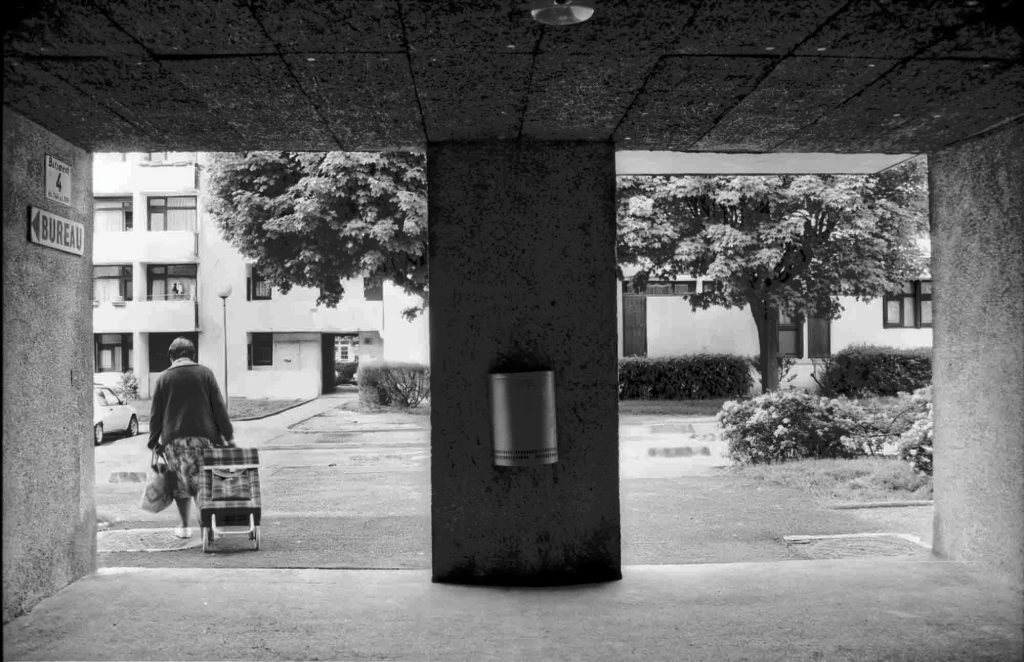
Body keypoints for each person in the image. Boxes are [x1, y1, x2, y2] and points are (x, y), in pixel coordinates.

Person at [148, 336, 234, 538]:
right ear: (193, 354)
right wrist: (228, 436)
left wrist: (153, 442)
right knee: (203, 481)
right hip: (204, 439)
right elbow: (218, 407)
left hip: (173, 440)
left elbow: (155, 414)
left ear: (171, 356)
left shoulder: (163, 378)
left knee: (181, 483)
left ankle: (185, 526)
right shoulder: (205, 374)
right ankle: (208, 528)